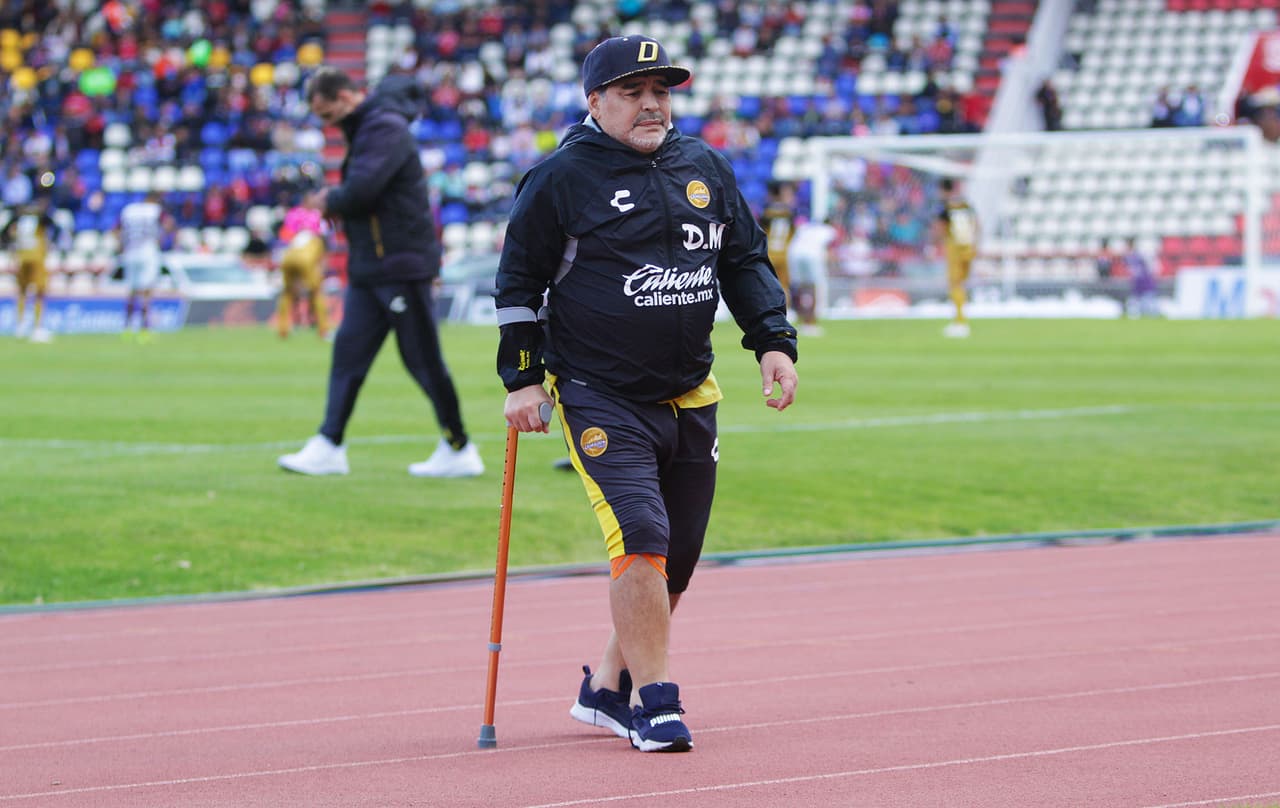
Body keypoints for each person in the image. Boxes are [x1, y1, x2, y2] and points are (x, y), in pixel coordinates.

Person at [495, 35, 799, 753]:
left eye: (660, 91)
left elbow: (743, 260)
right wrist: (522, 378)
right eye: (632, 92)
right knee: (641, 536)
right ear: (595, 101)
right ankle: (657, 704)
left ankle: (604, 689)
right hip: (600, 394)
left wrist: (774, 341)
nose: (651, 104)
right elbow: (517, 286)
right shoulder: (559, 178)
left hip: (692, 391)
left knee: (680, 560)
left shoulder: (704, 167)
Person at [277, 67, 482, 478]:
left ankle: (459, 447)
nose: (325, 123)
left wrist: (326, 201)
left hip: (400, 265)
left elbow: (363, 190)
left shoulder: (382, 127)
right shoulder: (368, 128)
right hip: (373, 265)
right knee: (348, 355)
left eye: (326, 111)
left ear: (346, 96)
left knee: (422, 359)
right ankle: (329, 443)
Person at [2, 196, 60, 342]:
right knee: (40, 293)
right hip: (37, 258)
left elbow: (4, 232)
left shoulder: (18, 219)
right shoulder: (40, 218)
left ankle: (20, 326)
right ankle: (37, 328)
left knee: (22, 292)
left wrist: (9, 246)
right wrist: (52, 243)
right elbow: (56, 228)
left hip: (22, 258)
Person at [274, 199, 332, 340]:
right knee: (317, 292)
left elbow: (284, 238)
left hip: (287, 257)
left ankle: (283, 330)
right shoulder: (318, 220)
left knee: (287, 293)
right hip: (306, 259)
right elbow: (323, 244)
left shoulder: (295, 218)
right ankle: (324, 330)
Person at [117, 190, 168, 341]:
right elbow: (168, 224)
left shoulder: (129, 210)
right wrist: (160, 240)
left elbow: (117, 229)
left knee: (132, 291)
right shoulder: (155, 210)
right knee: (146, 292)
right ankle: (144, 329)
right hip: (148, 251)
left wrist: (122, 245)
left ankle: (126, 328)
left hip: (130, 251)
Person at [933, 177, 979, 338]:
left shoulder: (944, 207)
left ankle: (960, 323)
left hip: (954, 248)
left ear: (942, 190)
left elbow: (940, 228)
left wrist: (935, 243)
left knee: (955, 285)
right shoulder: (965, 205)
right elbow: (977, 224)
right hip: (969, 247)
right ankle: (961, 320)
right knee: (962, 285)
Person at [786, 215, 837, 336]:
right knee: (813, 288)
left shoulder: (806, 227)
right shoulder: (830, 230)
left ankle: (799, 319)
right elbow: (830, 250)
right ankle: (810, 323)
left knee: (799, 287)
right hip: (812, 255)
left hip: (794, 253)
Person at [759, 180, 797, 309]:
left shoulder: (766, 213)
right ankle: (786, 312)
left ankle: (768, 311)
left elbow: (760, 233)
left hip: (769, 253)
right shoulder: (789, 213)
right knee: (784, 286)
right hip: (785, 254)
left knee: (767, 286)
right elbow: (793, 233)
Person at [1123, 238, 1159, 318]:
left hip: (1145, 281)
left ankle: (1153, 315)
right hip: (1137, 282)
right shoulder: (1128, 257)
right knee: (1136, 300)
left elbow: (1147, 268)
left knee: (1148, 301)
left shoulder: (1138, 256)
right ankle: (1136, 314)